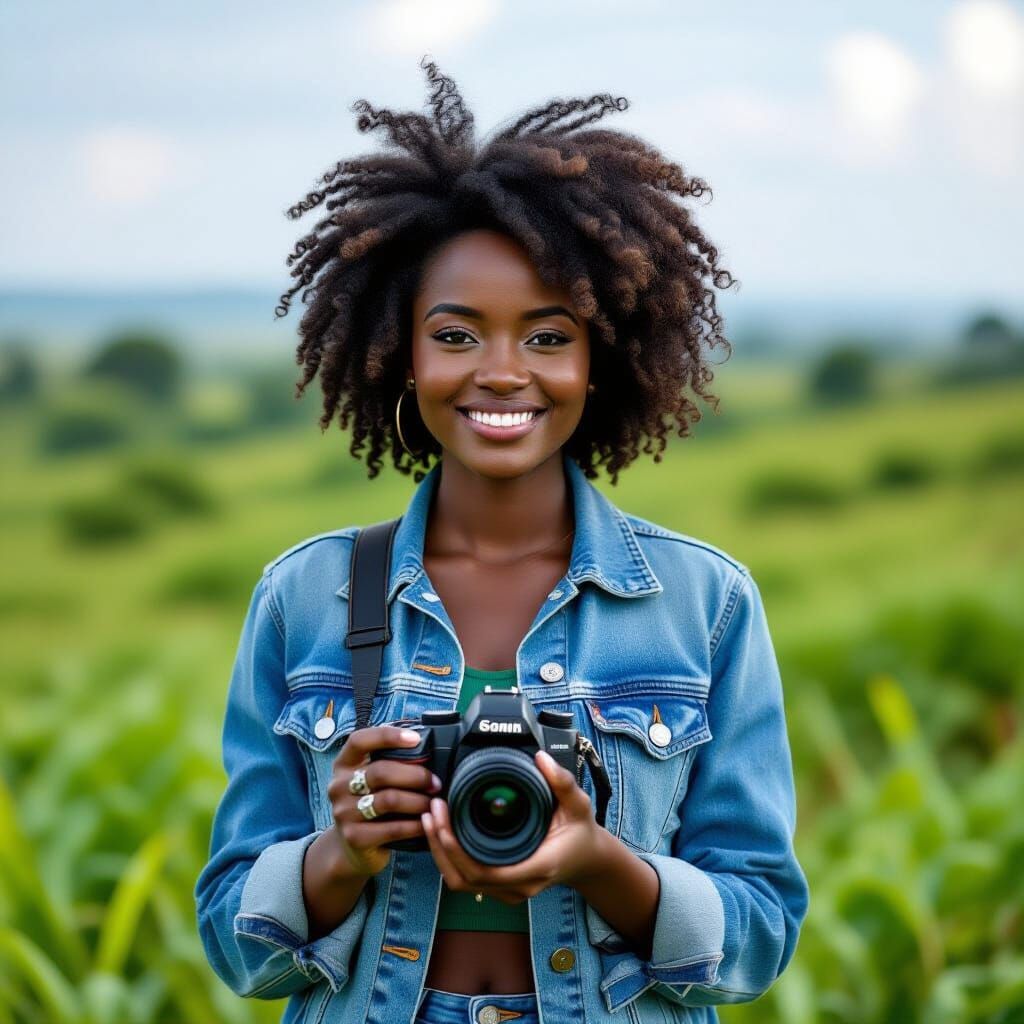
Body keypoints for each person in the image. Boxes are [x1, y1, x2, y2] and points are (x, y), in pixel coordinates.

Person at [195, 57, 808, 1024]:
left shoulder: (706, 604)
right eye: (456, 334)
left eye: (549, 335)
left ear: (604, 356)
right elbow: (238, 946)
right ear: (399, 352)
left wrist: (603, 862)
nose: (502, 372)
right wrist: (337, 852)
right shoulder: (304, 598)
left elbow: (762, 933)